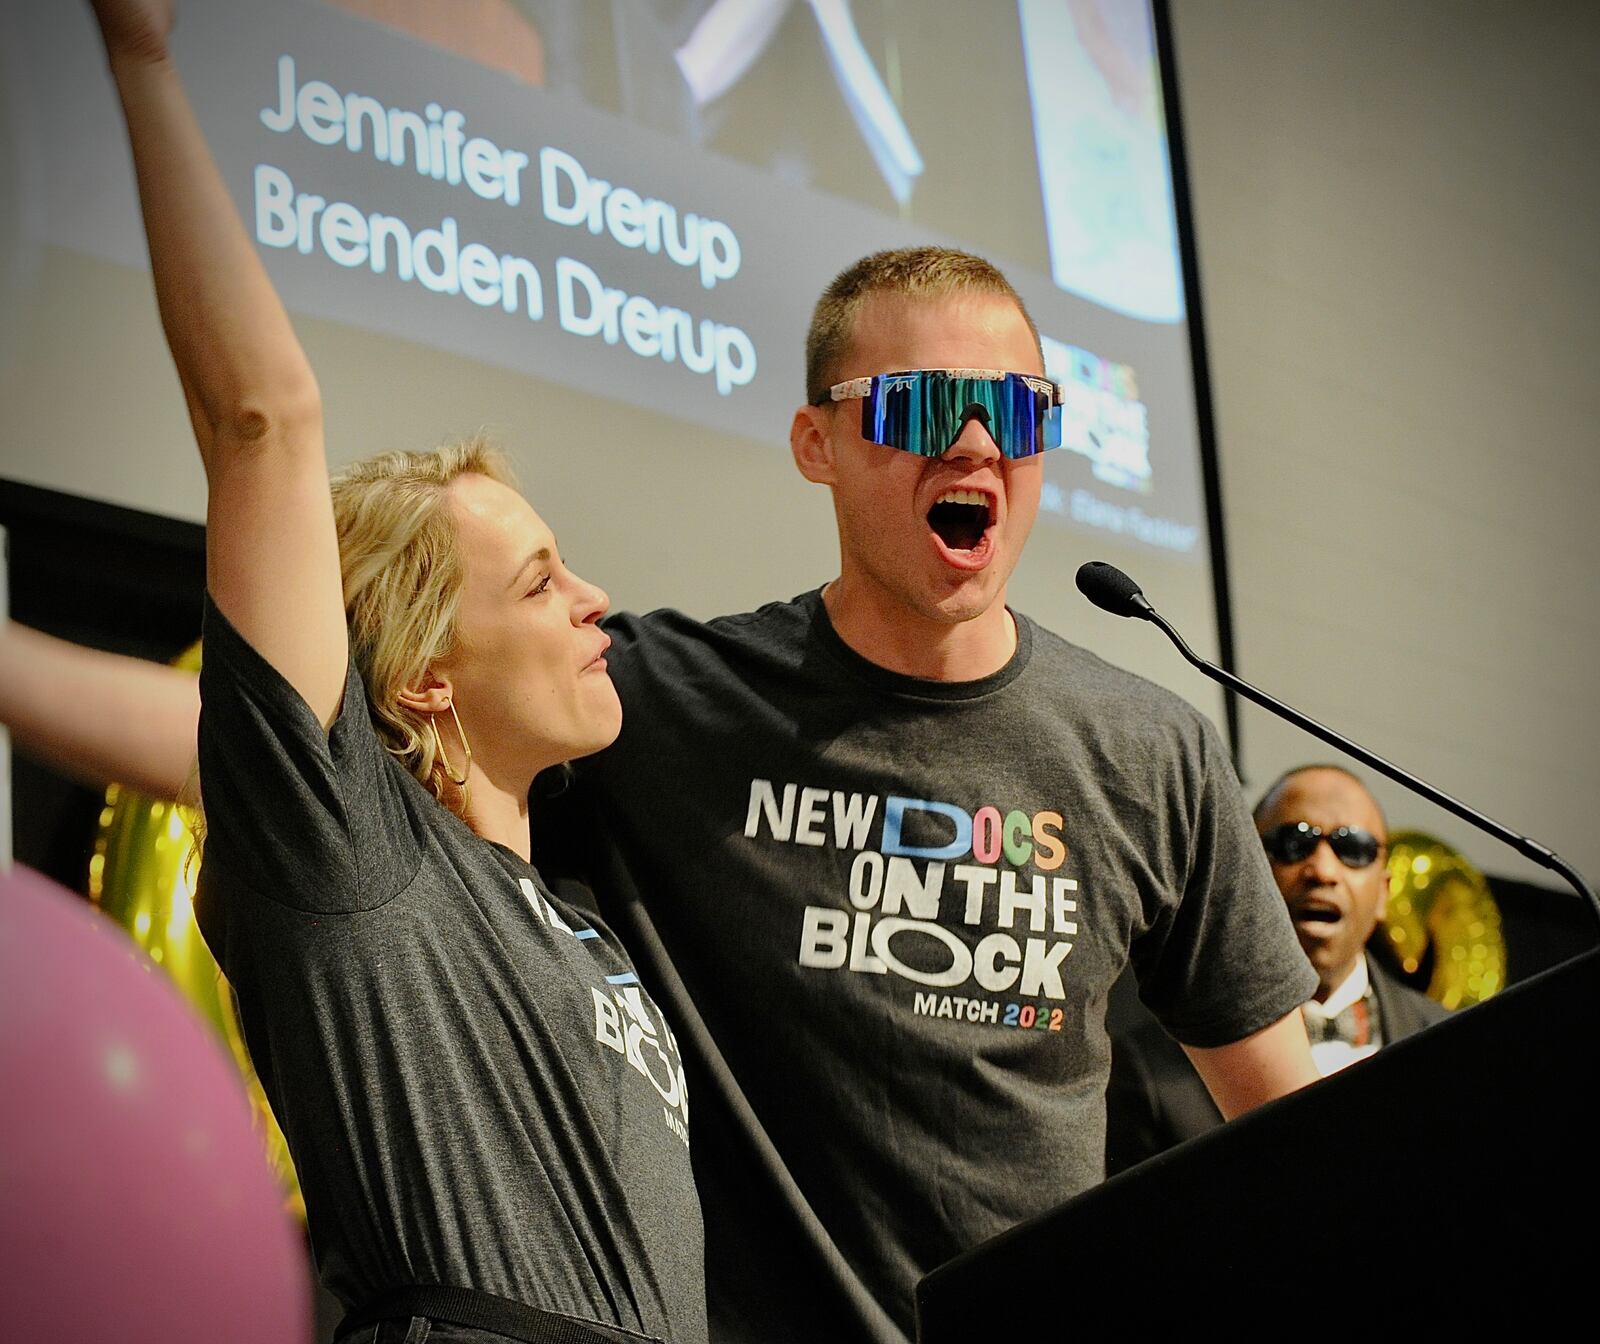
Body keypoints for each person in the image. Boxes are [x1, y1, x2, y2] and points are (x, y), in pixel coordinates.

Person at [0, 241, 1320, 1344]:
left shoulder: (1152, 749)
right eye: (924, 407)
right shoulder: (662, 701)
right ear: (818, 441)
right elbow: (290, 750)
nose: (977, 442)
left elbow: (1295, 1130)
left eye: (1018, 412)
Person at [71, 2, 706, 1340]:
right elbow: (263, 423)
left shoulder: (582, 915)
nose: (597, 603)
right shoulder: (359, 859)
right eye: (540, 582)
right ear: (421, 677)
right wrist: (142, 63)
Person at [1106, 764, 1449, 1175]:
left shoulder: (1450, 1042)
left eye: (1353, 848)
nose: (1322, 871)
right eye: (1294, 842)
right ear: (1242, 874)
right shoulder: (1145, 1068)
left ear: (1384, 892)